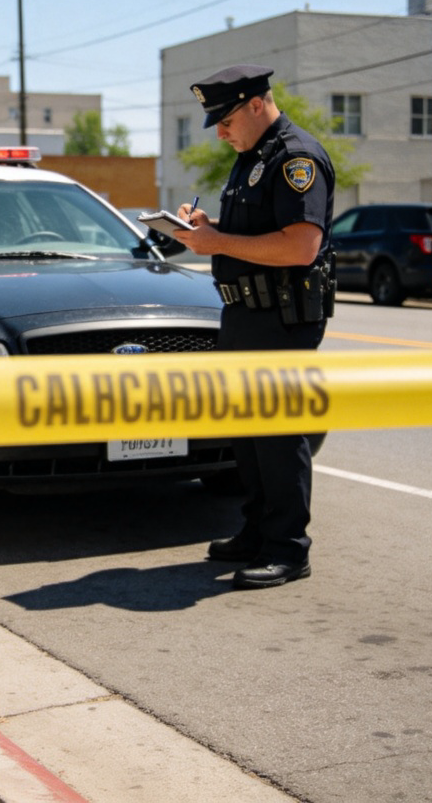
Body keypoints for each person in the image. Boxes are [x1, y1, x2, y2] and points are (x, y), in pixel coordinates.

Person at [171, 64, 335, 590]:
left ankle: (288, 549)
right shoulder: (252, 157)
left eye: (224, 119)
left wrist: (217, 245)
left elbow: (299, 245)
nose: (219, 131)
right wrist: (208, 229)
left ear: (257, 104)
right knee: (246, 433)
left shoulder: (295, 157)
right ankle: (257, 531)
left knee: (278, 437)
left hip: (282, 320)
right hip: (243, 314)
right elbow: (254, 232)